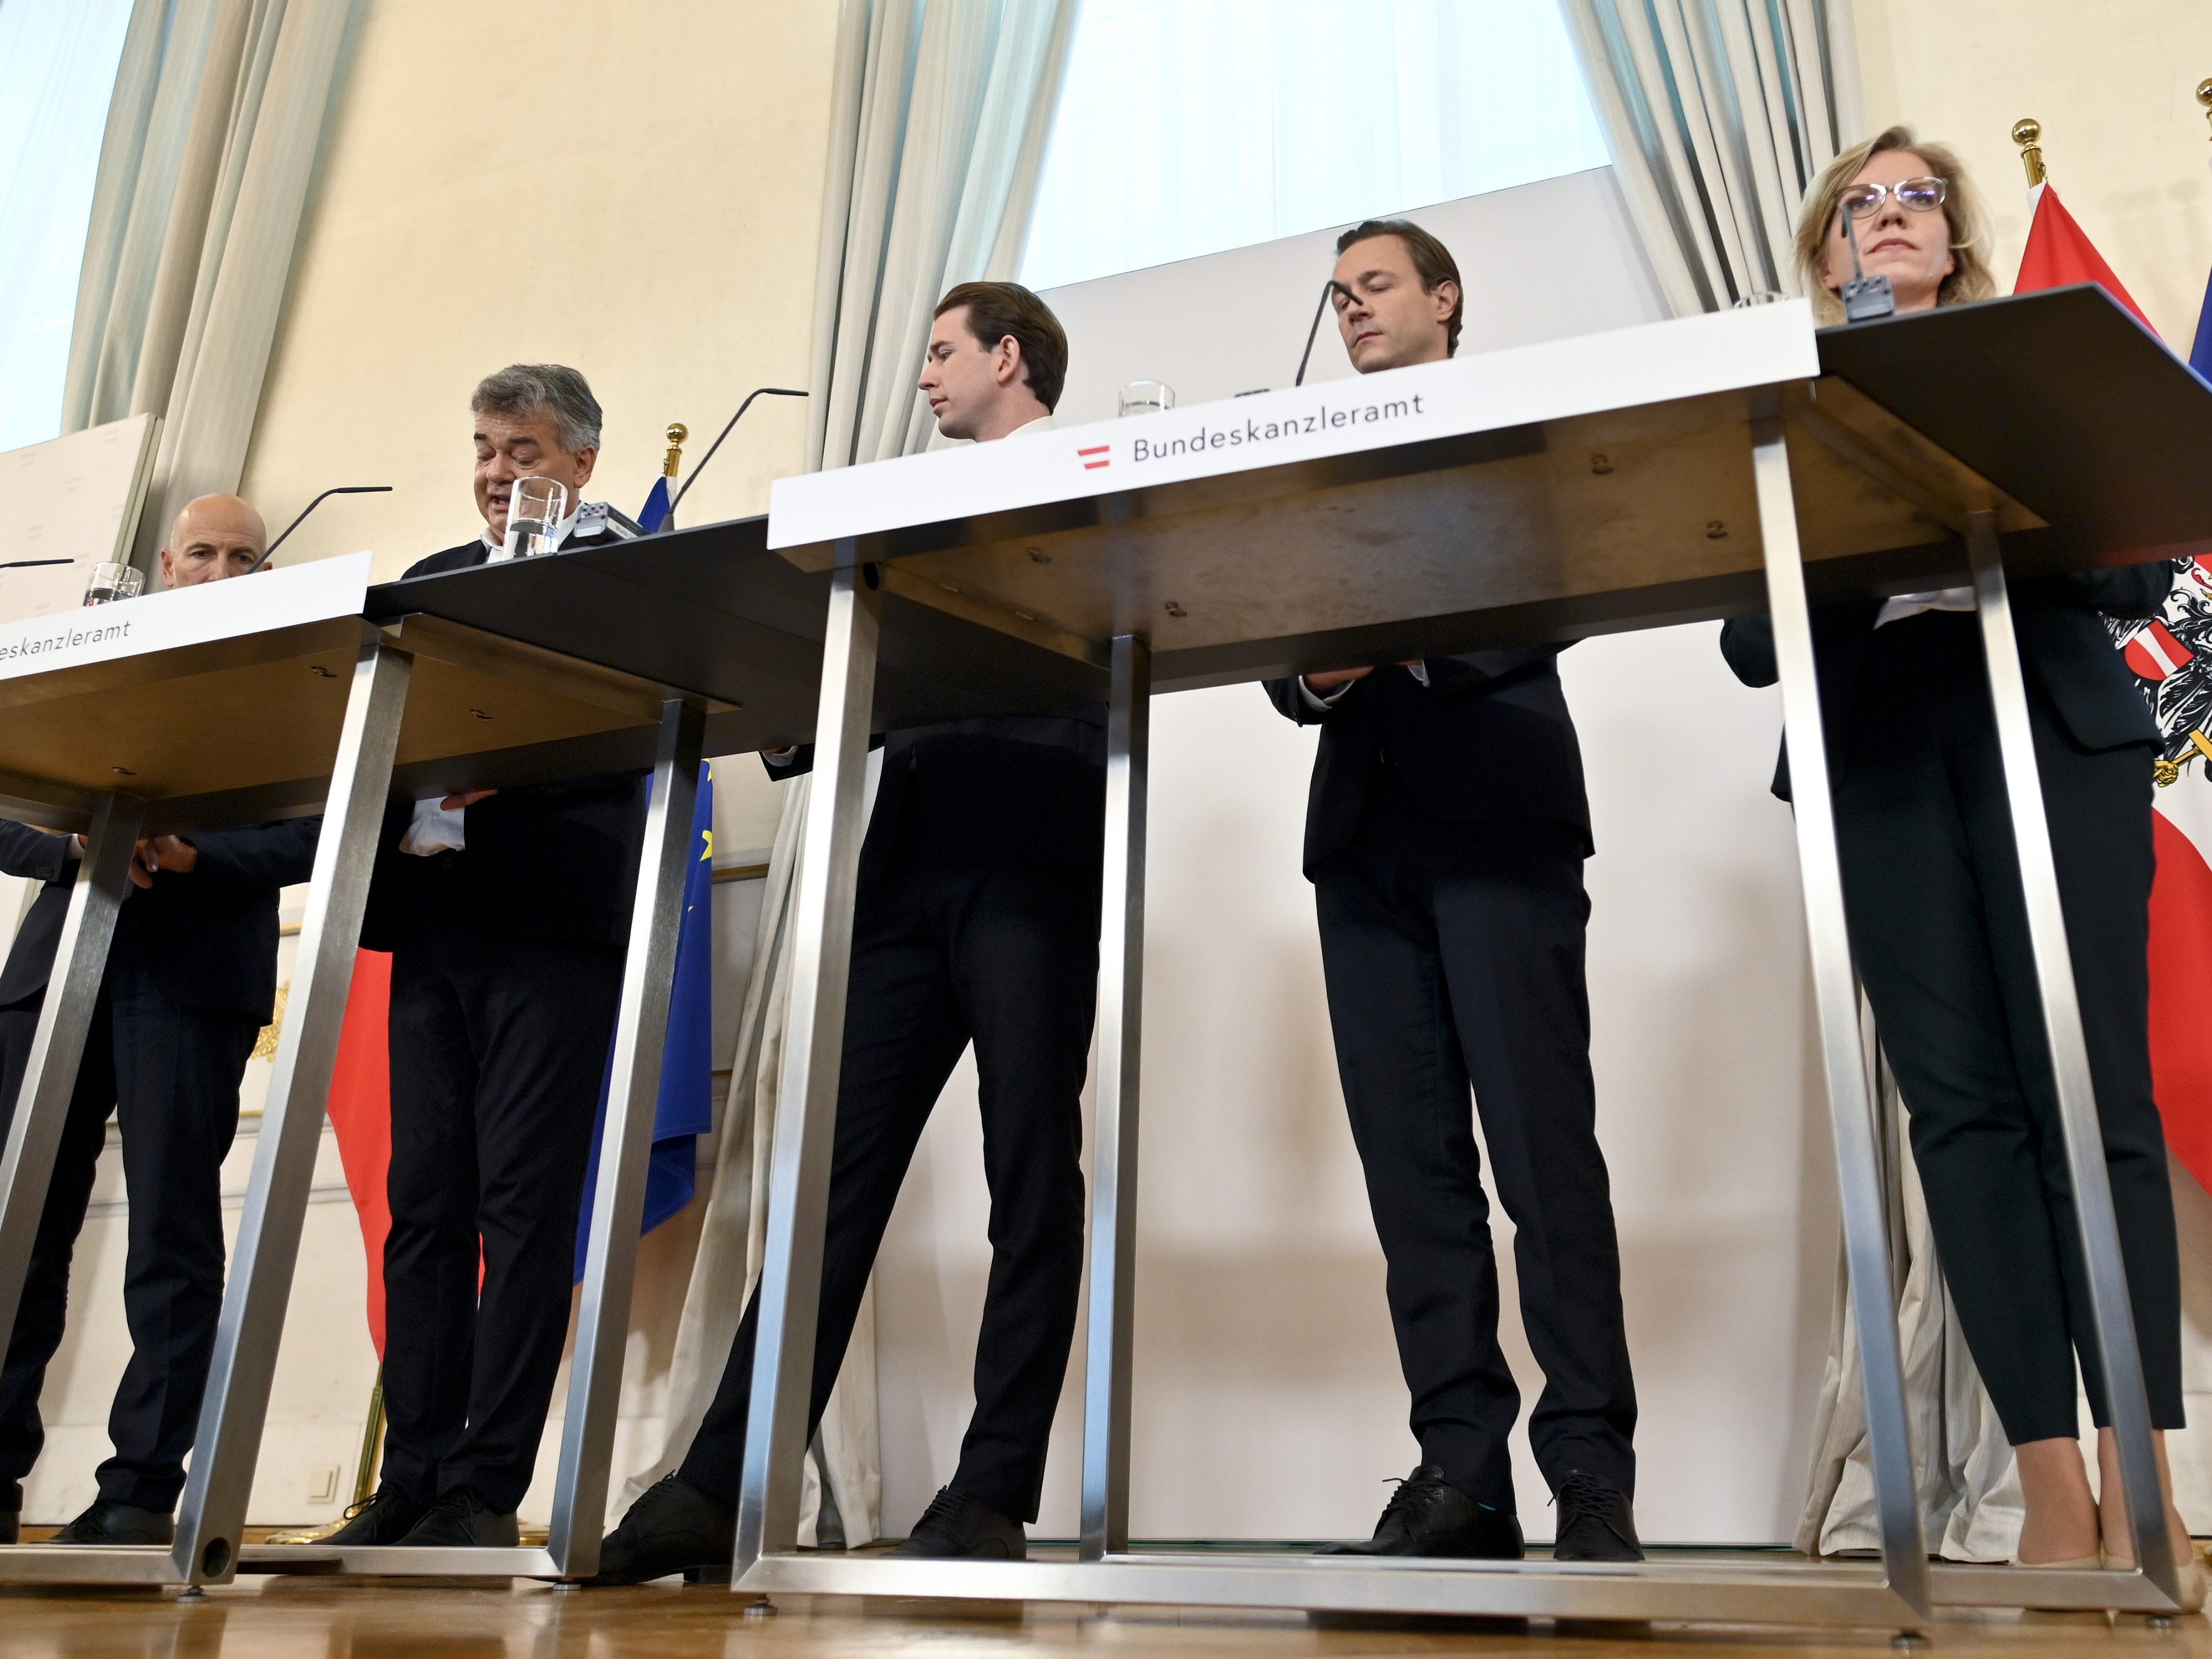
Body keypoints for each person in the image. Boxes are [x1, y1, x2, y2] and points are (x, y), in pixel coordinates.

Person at [1723, 127, 2196, 1595]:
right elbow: (1752, 643)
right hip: (1883, 752)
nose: (1886, 219)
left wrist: (1993, 466)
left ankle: (2145, 1479)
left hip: (2049, 725)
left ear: (1954, 235)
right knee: (1964, 1119)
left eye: (1912, 197)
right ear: (1824, 257)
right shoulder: (1786, 406)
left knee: (2089, 1096)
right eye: (1857, 206)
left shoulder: (2033, 362)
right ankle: (2050, 1493)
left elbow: (2130, 562)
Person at [591, 282, 1100, 1580]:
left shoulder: (1089, 483)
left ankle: (991, 1490)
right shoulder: (905, 505)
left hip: (1035, 852)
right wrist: (792, 690)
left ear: (1009, 356)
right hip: (908, 867)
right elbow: (876, 667)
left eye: (942, 353)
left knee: (1029, 1173)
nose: (924, 376)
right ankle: (719, 1487)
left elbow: (1088, 637)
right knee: (829, 1182)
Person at [1265, 221, 1641, 1563]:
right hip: (1361, 850)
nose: (1351, 305)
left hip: (1500, 825)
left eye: (1375, 284)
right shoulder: (1308, 460)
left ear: (1444, 299)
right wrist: (1322, 663)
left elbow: (1563, 583)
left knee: (1545, 1163)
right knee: (1412, 1180)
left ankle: (1589, 1471)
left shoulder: (1524, 429)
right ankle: (1459, 1471)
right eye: (1338, 292)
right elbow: (1281, 650)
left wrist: (1400, 624)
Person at [328, 366, 648, 1549]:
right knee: (426, 1206)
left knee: (523, 1206)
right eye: (482, 446)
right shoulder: (429, 584)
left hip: (551, 922)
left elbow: (638, 731)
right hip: (433, 919)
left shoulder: (621, 576)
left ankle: (482, 1483)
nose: (494, 470)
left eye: (520, 448)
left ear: (579, 464)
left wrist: (506, 757)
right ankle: (412, 1471)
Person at [0, 495, 320, 1546]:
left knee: (170, 1236)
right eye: (201, 553)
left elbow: (321, 832)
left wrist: (197, 856)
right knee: (17, 1231)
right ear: (165, 565)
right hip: (56, 969)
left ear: (262, 571)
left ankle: (140, 1488)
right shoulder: (92, 661)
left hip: (192, 974)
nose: (220, 568)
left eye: (242, 555)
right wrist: (73, 853)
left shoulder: (287, 688)